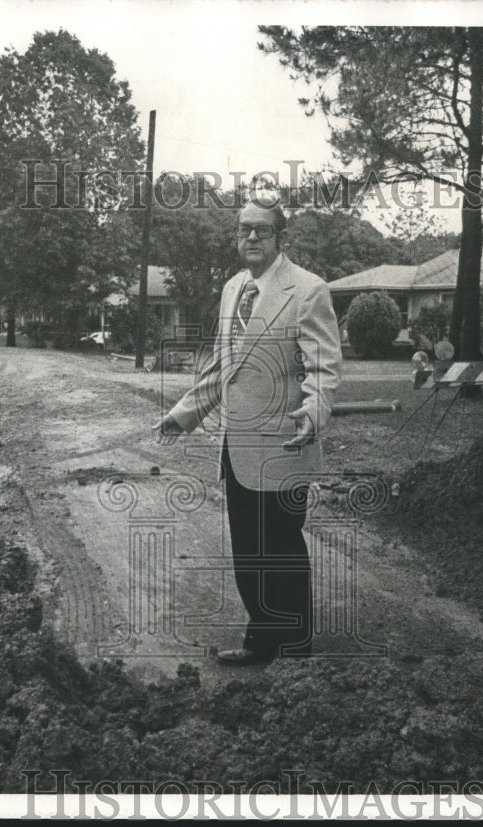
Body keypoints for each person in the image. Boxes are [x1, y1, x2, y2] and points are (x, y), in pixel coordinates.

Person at [153, 197, 342, 665]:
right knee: (249, 550)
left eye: (261, 230)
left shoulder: (308, 290)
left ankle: (296, 651)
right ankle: (261, 641)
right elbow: (223, 366)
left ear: (281, 238)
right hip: (237, 447)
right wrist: (185, 412)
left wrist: (314, 415)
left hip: (284, 443)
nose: (251, 238)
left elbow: (324, 366)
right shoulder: (233, 289)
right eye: (243, 230)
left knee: (282, 550)